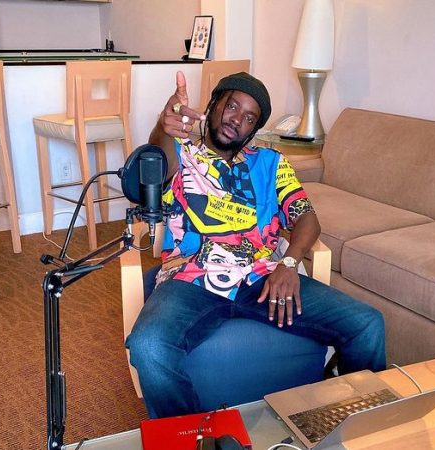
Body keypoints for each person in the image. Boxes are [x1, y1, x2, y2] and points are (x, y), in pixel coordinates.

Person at [126, 71, 386, 418]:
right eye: (232, 106)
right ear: (214, 104)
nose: (237, 120)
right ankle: (193, 437)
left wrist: (290, 263)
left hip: (263, 278)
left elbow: (307, 219)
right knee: (149, 344)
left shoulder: (271, 163)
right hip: (191, 277)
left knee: (367, 323)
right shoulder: (182, 154)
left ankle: (360, 426)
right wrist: (164, 126)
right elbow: (157, 164)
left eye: (250, 118)